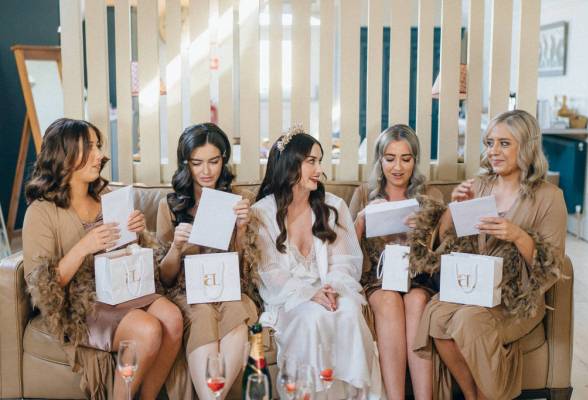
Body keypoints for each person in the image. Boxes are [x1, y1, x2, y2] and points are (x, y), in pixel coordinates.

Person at [409, 109, 567, 400]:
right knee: (436, 313)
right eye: (489, 142)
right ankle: (472, 395)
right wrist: (453, 209)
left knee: (469, 321)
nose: (493, 151)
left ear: (527, 147)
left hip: (516, 298)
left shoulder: (549, 197)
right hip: (476, 287)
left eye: (504, 143)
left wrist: (517, 235)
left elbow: (552, 265)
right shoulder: (479, 185)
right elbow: (447, 241)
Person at [22, 118, 184, 399]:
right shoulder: (41, 211)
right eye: (90, 147)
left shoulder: (105, 196)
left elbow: (125, 253)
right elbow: (43, 285)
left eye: (98, 146)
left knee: (172, 318)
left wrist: (136, 232)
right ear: (65, 153)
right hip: (81, 302)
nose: (100, 156)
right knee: (147, 330)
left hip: (122, 287)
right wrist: (84, 246)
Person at [248, 126, 383, 399]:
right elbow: (270, 272)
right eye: (311, 161)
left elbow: (347, 261)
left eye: (319, 161)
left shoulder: (334, 206)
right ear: (290, 165)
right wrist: (310, 294)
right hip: (289, 298)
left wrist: (330, 288)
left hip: (332, 290)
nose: (319, 169)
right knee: (311, 318)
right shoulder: (261, 213)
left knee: (348, 314)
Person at [156, 123, 258, 399]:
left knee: (237, 308)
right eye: (197, 163)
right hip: (189, 293)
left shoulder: (241, 200)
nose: (206, 171)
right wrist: (176, 247)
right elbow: (164, 279)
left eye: (214, 161)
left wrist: (242, 230)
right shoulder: (170, 205)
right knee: (201, 313)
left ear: (223, 160)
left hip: (231, 290)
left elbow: (248, 272)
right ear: (185, 164)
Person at [349, 124, 442, 399]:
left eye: (406, 158)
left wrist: (426, 227)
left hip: (419, 277)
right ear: (380, 160)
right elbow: (346, 249)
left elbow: (444, 249)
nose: (398, 167)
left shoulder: (430, 195)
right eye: (390, 159)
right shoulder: (364, 194)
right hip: (379, 278)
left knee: (415, 301)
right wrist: (362, 218)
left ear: (415, 160)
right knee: (389, 300)